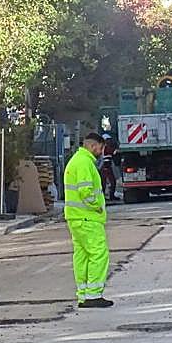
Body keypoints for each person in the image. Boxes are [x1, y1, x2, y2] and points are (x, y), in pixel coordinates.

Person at [65, 132, 113, 308]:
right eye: (100, 148)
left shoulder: (76, 161)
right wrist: (97, 207)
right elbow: (86, 191)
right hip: (88, 218)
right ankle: (94, 295)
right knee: (98, 254)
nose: (101, 152)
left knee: (82, 256)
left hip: (76, 217)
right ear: (93, 146)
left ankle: (83, 295)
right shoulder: (85, 163)